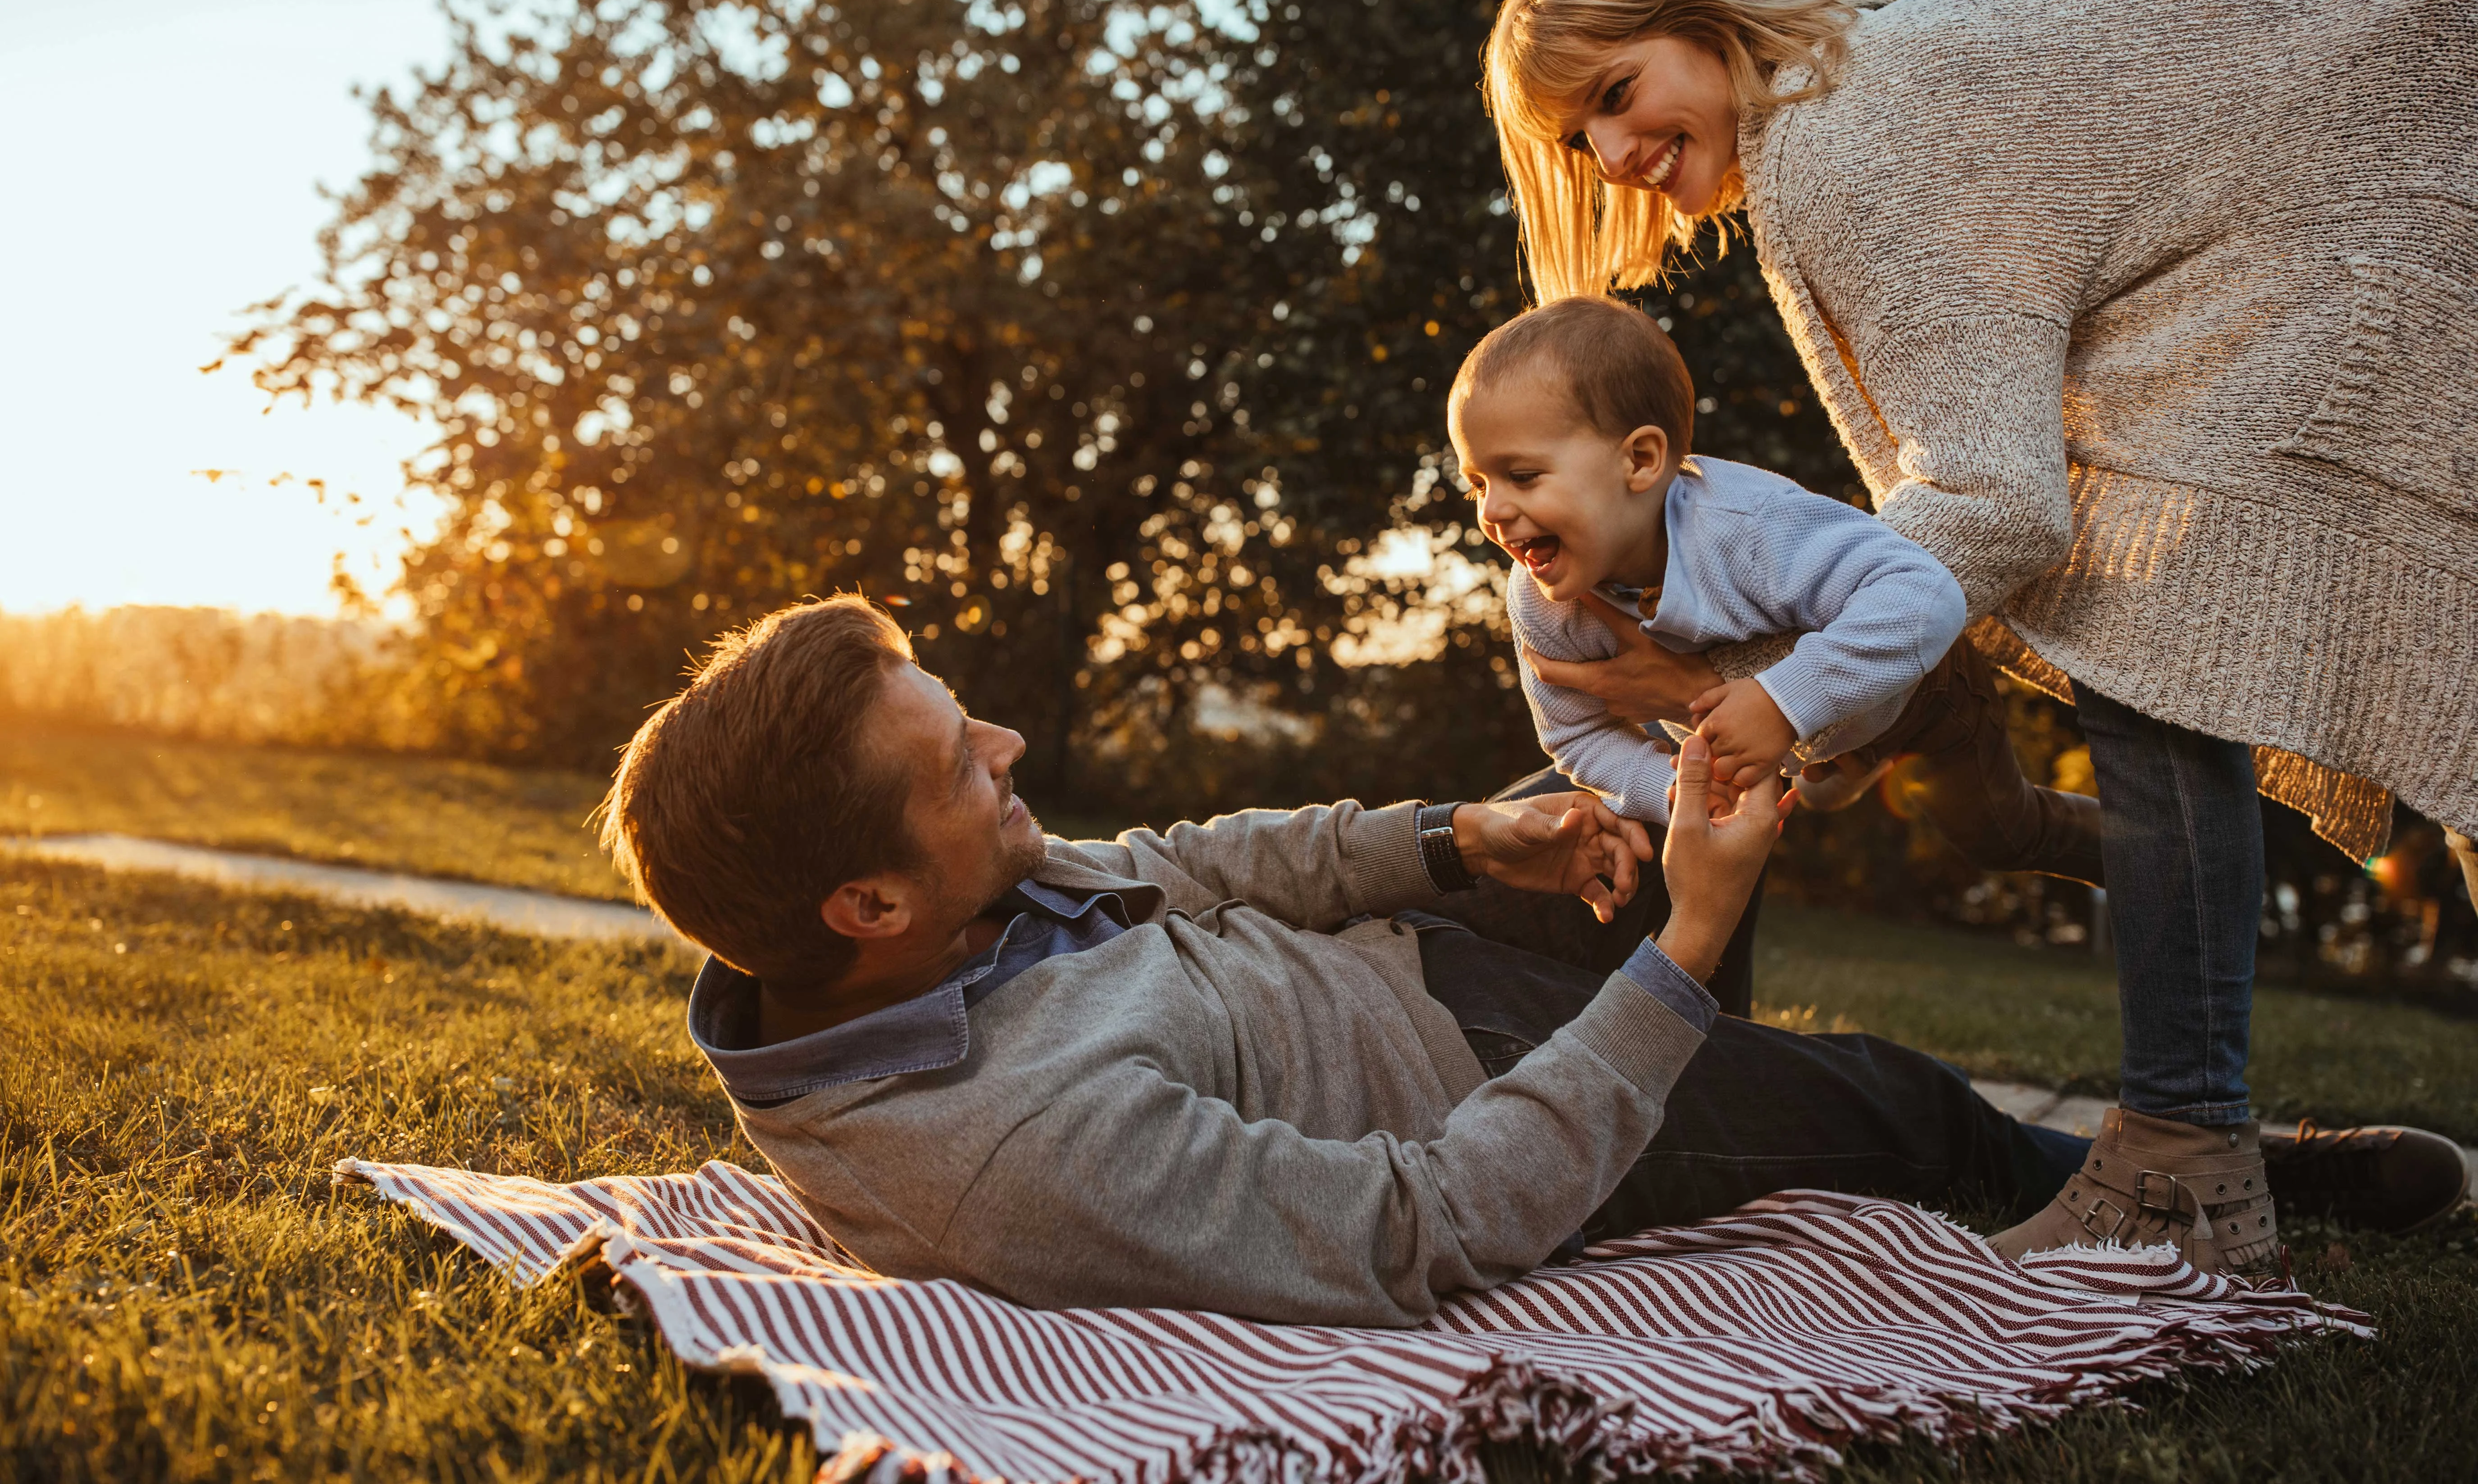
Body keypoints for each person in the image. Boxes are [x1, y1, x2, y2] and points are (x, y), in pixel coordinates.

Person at [1479, 0, 2478, 1277]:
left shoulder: (1837, 145)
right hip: (2342, 190)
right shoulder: (1845, 94)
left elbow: (1995, 498)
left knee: (2155, 622)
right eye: (1576, 143)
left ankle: (2184, 1153)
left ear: (1699, 19)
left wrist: (1788, 698)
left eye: (1612, 94)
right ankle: (2189, 1119)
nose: (1614, 159)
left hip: (2374, 175)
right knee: (2184, 633)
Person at [597, 596, 2464, 1325]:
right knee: (1890, 1097)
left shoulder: (939, 913)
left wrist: (1456, 838)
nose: (1004, 751)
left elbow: (1184, 860)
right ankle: (2193, 1179)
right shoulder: (1007, 1147)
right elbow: (1421, 1227)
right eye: (956, 764)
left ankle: (1717, 1016)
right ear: (867, 907)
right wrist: (1692, 952)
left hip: (1428, 958)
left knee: (1651, 804)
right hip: (1480, 1100)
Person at [1450, 291, 2100, 887]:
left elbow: (1924, 593)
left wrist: (1780, 704)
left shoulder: (1749, 528)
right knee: (1716, 826)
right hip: (1793, 735)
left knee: (2000, 833)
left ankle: (2150, 859)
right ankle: (1829, 762)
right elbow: (1575, 736)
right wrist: (1670, 786)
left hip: (1921, 690)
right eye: (1479, 483)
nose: (1493, 512)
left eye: (1523, 476)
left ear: (1642, 460)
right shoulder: (1544, 600)